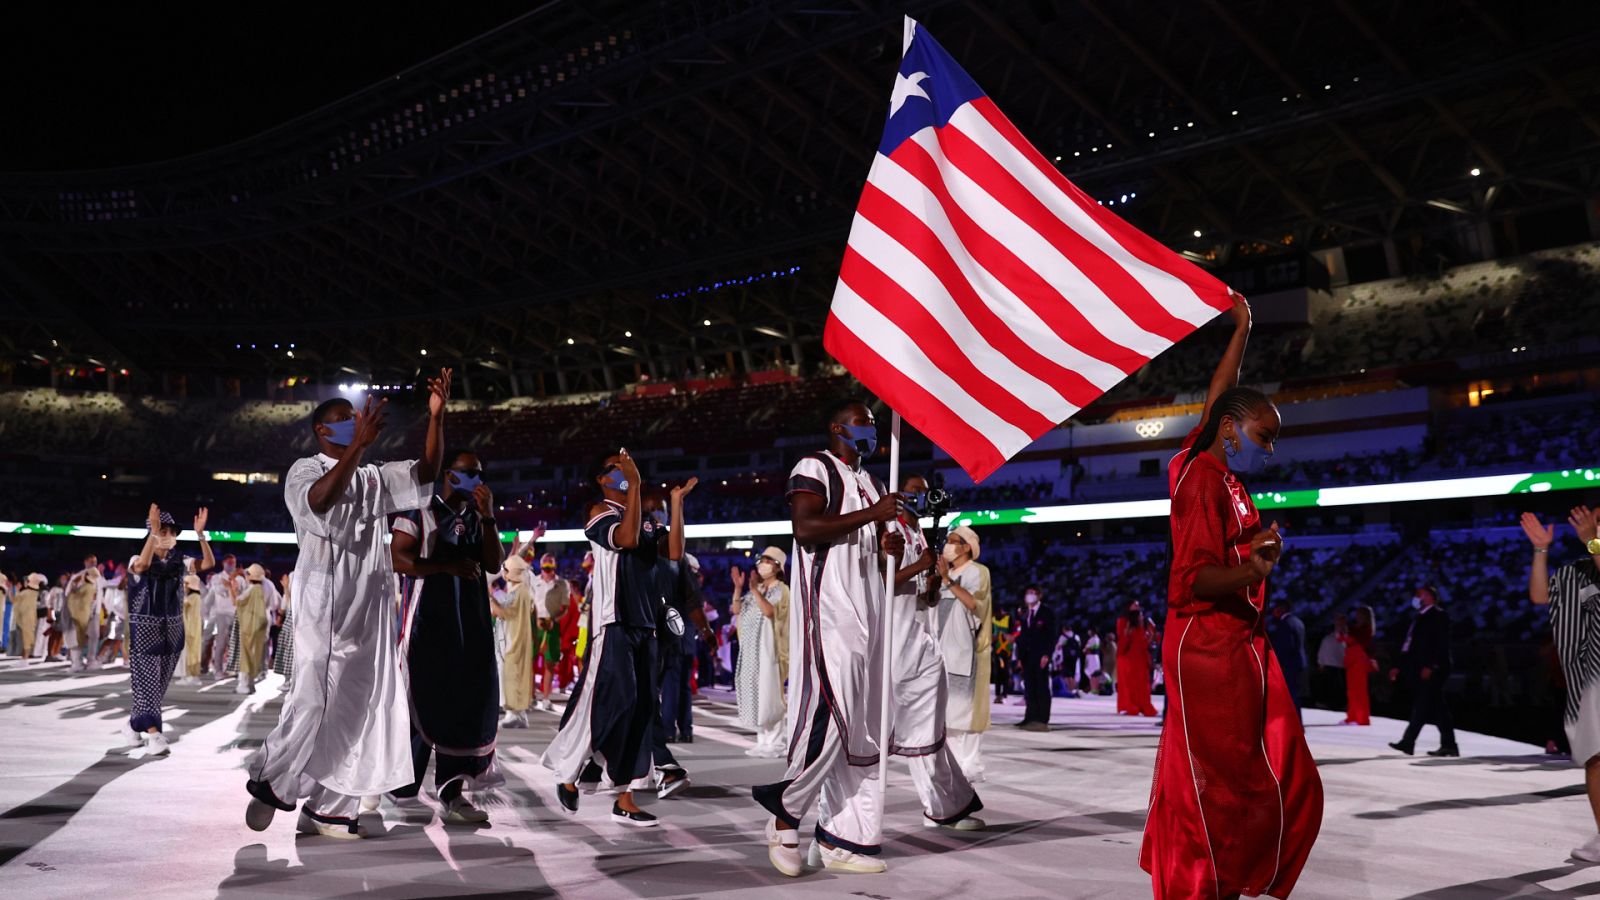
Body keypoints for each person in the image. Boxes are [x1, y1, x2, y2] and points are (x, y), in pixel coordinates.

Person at [1141, 294, 1322, 900]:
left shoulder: (1215, 465)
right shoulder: (1201, 485)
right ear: (1231, 431)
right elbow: (1191, 580)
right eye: (1263, 438)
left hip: (1235, 639)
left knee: (1262, 764)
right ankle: (1206, 883)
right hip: (1208, 644)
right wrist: (1250, 569)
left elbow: (1222, 394)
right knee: (1224, 777)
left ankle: (1220, 875)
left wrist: (1242, 327)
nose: (1269, 450)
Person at [244, 370, 451, 841]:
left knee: (356, 705)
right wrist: (357, 445)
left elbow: (426, 472)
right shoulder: (305, 469)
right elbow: (319, 502)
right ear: (322, 429)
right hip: (324, 601)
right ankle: (272, 782)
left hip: (369, 602)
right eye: (344, 418)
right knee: (312, 699)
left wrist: (437, 419)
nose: (354, 422)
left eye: (355, 418)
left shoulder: (374, 477)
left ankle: (329, 809)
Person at [753, 400, 906, 877]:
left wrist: (889, 545)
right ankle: (783, 816)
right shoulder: (814, 466)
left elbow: (873, 549)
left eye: (874, 423)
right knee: (828, 719)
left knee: (862, 730)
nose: (871, 429)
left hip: (869, 615)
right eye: (862, 423)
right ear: (837, 427)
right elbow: (805, 529)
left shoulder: (873, 482)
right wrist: (874, 514)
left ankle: (843, 838)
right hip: (830, 612)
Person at [541, 448, 676, 828]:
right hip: (614, 621)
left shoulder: (643, 516)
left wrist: (677, 505)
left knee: (641, 709)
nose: (626, 470)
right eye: (618, 467)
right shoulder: (598, 511)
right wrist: (635, 484)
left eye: (628, 466)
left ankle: (625, 797)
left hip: (645, 624)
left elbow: (673, 551)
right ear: (602, 479)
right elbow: (627, 539)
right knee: (604, 702)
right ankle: (567, 769)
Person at [390, 449, 505, 824]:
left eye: (480, 473)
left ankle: (452, 791)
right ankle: (396, 781)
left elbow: (494, 562)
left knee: (465, 704)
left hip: (469, 622)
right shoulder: (419, 511)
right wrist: (445, 566)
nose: (477, 480)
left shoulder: (476, 517)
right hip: (427, 621)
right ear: (449, 475)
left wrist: (488, 516)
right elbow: (396, 558)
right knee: (418, 701)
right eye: (470, 472)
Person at [883, 487, 985, 834]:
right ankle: (825, 824)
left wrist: (931, 584)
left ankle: (946, 806)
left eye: (925, 490)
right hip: (895, 646)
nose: (922, 495)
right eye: (914, 489)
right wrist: (919, 566)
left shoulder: (921, 536)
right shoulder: (889, 532)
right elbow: (878, 583)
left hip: (923, 644)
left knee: (929, 731)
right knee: (914, 732)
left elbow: (926, 600)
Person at [1522, 507, 1600, 860]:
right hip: (1592, 679)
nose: (1593, 525)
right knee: (1596, 758)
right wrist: (1541, 550)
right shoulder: (1578, 571)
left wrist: (1591, 542)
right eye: (1593, 521)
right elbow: (1540, 595)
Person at [124, 505, 215, 755]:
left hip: (172, 634)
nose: (168, 535)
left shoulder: (179, 561)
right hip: (145, 635)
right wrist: (153, 534)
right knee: (148, 684)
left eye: (171, 531)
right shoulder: (137, 559)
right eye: (163, 531)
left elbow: (208, 563)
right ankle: (155, 736)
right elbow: (142, 566)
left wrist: (200, 535)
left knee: (157, 688)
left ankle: (133, 725)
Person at [931, 525, 994, 784]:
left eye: (953, 541)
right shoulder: (943, 574)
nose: (947, 545)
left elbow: (974, 604)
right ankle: (954, 769)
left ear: (966, 547)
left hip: (967, 653)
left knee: (967, 716)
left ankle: (970, 768)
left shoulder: (977, 572)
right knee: (948, 717)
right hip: (943, 652)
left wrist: (947, 580)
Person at [731, 549, 790, 757]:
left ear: (778, 566)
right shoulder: (757, 589)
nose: (762, 564)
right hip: (752, 650)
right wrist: (739, 589)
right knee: (756, 693)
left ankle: (775, 743)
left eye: (768, 561)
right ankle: (762, 741)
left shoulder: (781, 590)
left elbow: (770, 612)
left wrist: (754, 591)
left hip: (770, 651)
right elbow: (737, 610)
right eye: (761, 560)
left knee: (770, 695)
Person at [1387, 584, 1457, 757]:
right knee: (1436, 707)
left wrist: (1431, 665)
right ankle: (1449, 745)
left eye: (1421, 595)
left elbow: (1440, 643)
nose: (1417, 598)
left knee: (1423, 705)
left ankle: (1408, 742)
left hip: (1435, 668)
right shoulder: (1419, 617)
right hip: (1422, 667)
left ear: (1431, 597)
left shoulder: (1439, 615)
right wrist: (1399, 665)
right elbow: (1409, 644)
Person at [493, 554, 535, 728]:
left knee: (510, 675)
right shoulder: (521, 589)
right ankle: (520, 715)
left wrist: (490, 597)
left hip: (512, 639)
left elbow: (503, 611)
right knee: (517, 674)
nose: (503, 572)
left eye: (506, 569)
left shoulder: (519, 591)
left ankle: (512, 713)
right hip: (515, 637)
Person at [530, 551, 570, 713]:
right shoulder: (534, 581)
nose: (547, 563)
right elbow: (528, 603)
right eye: (545, 560)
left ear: (554, 564)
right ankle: (531, 696)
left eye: (550, 560)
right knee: (530, 662)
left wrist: (554, 620)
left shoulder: (562, 584)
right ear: (540, 564)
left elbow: (565, 608)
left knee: (550, 663)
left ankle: (546, 698)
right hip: (534, 625)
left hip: (552, 625)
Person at [230, 564, 278, 695]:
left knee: (246, 653)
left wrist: (232, 589)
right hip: (263, 620)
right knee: (257, 652)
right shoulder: (268, 585)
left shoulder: (252, 589)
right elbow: (275, 604)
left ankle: (244, 684)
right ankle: (251, 683)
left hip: (250, 623)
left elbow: (237, 602)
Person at [1016, 586, 1056, 731]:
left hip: (1040, 656)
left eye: (1033, 593)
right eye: (1028, 593)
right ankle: (1030, 717)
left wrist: (1047, 654)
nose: (1030, 595)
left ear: (1039, 596)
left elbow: (1051, 635)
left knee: (1041, 687)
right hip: (1027, 656)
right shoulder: (1025, 613)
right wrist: (1020, 657)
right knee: (1029, 687)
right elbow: (1022, 636)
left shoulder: (1046, 612)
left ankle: (1042, 718)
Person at [1115, 601, 1159, 717]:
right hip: (1128, 657)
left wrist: (1151, 636)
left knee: (1142, 683)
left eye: (1138, 605)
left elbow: (1144, 641)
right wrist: (1127, 633)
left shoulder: (1142, 621)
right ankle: (1129, 706)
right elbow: (1123, 642)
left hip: (1140, 657)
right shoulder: (1123, 621)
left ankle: (1142, 705)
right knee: (1129, 683)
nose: (1137, 606)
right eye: (1134, 604)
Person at [1267, 599, 1308, 715]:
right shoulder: (1298, 621)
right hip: (1299, 663)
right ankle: (1296, 721)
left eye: (1275, 609)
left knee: (1290, 694)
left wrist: (1276, 662)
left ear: (1281, 609)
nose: (1273, 612)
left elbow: (1286, 647)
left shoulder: (1285, 624)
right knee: (1294, 693)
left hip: (1289, 664)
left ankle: (1293, 722)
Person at [62, 556, 101, 672]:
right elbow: (68, 593)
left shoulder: (98, 576)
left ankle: (91, 661)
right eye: (91, 561)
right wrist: (76, 583)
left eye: (95, 562)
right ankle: (77, 662)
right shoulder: (78, 576)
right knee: (77, 636)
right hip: (79, 613)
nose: (93, 563)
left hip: (95, 612)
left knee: (94, 636)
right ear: (85, 562)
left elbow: (101, 594)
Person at [1341, 606, 1376, 726]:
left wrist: (1346, 634)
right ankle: (1352, 717)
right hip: (1351, 659)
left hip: (1359, 660)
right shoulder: (1355, 627)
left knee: (1359, 691)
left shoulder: (1366, 628)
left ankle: (1362, 718)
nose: (1356, 615)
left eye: (1359, 613)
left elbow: (1355, 640)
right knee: (1351, 690)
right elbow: (1342, 638)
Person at [204, 558, 238, 680]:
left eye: (233, 563)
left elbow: (240, 592)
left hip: (236, 613)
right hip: (222, 613)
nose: (232, 565)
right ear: (223, 563)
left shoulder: (239, 577)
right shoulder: (216, 577)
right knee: (221, 643)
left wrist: (230, 584)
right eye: (229, 563)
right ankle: (218, 671)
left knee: (235, 643)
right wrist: (229, 585)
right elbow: (220, 591)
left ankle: (232, 669)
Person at [1314, 614, 1347, 710]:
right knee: (1329, 688)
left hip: (1343, 668)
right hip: (1329, 668)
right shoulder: (1328, 638)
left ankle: (1341, 705)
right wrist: (1320, 663)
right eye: (1337, 620)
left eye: (1341, 620)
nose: (1339, 623)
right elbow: (1322, 652)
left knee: (1340, 689)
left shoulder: (1348, 638)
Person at [13, 573, 44, 661]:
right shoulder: (36, 593)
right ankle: (24, 658)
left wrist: (16, 590)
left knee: (26, 638)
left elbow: (14, 600)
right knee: (28, 637)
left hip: (26, 617)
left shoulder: (25, 593)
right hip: (32, 617)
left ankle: (25, 659)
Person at [181, 571, 204, 685]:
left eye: (186, 584)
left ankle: (191, 675)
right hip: (193, 627)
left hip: (191, 627)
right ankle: (191, 675)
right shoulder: (195, 597)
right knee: (192, 651)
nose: (184, 586)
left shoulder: (193, 597)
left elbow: (182, 604)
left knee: (191, 652)